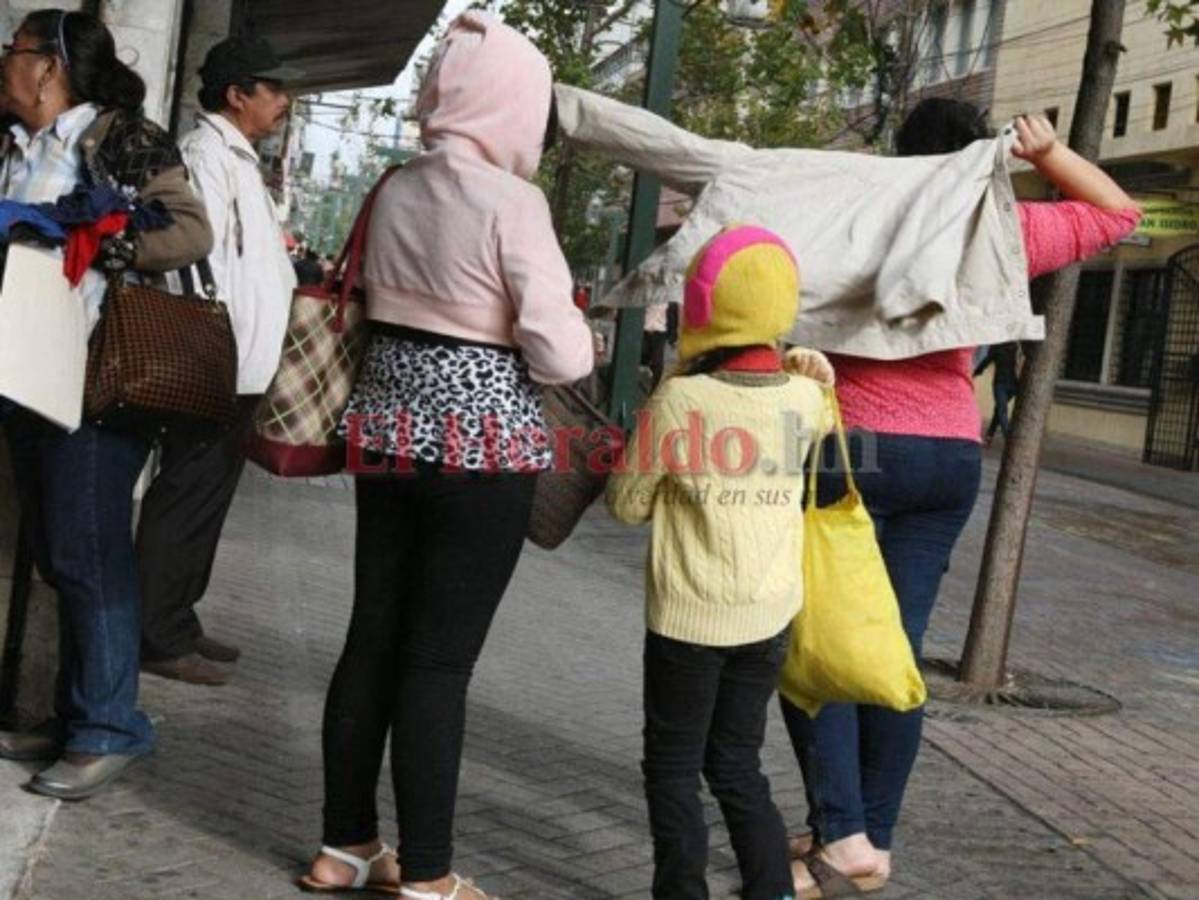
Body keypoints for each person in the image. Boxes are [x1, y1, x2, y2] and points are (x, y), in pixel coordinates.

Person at [780, 102, 1140, 895]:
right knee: (892, 653)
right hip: (947, 456)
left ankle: (840, 833)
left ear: (900, 157)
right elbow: (1119, 213)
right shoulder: (1002, 232)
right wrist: (1048, 153)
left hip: (853, 449)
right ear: (984, 158)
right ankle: (872, 838)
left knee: (818, 649)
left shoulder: (858, 220)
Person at [300, 12, 592, 899]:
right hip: (482, 447)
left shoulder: (393, 185)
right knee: (438, 663)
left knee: (371, 640)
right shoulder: (512, 202)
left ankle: (344, 846)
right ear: (513, 104)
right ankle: (428, 873)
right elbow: (564, 356)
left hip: (385, 433)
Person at [0, 7, 212, 798]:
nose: (3, 64)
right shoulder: (12, 143)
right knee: (61, 552)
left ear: (49, 65)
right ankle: (73, 717)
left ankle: (112, 727)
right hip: (23, 373)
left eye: (12, 51)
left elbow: (189, 231)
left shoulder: (121, 136)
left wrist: (88, 236)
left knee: (91, 554)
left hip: (95, 378)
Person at [607, 224, 833, 900]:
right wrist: (810, 367)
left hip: (689, 620)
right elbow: (820, 407)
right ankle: (772, 889)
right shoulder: (804, 399)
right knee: (737, 763)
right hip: (769, 616)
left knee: (673, 768)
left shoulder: (681, 401)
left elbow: (625, 502)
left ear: (702, 308)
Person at [135, 35, 300, 686]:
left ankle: (179, 617)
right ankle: (157, 633)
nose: (283, 101)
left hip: (241, 367)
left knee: (207, 498)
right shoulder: (206, 154)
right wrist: (211, 355)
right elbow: (194, 263)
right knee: (184, 496)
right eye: (274, 89)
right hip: (214, 363)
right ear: (238, 95)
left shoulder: (238, 156)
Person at [974, 341, 1020, 443]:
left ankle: (1006, 437)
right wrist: (977, 371)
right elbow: (986, 361)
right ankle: (995, 435)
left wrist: (976, 372)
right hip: (1012, 383)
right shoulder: (1014, 346)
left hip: (1002, 384)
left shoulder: (999, 346)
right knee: (1000, 409)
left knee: (1000, 410)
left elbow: (986, 361)